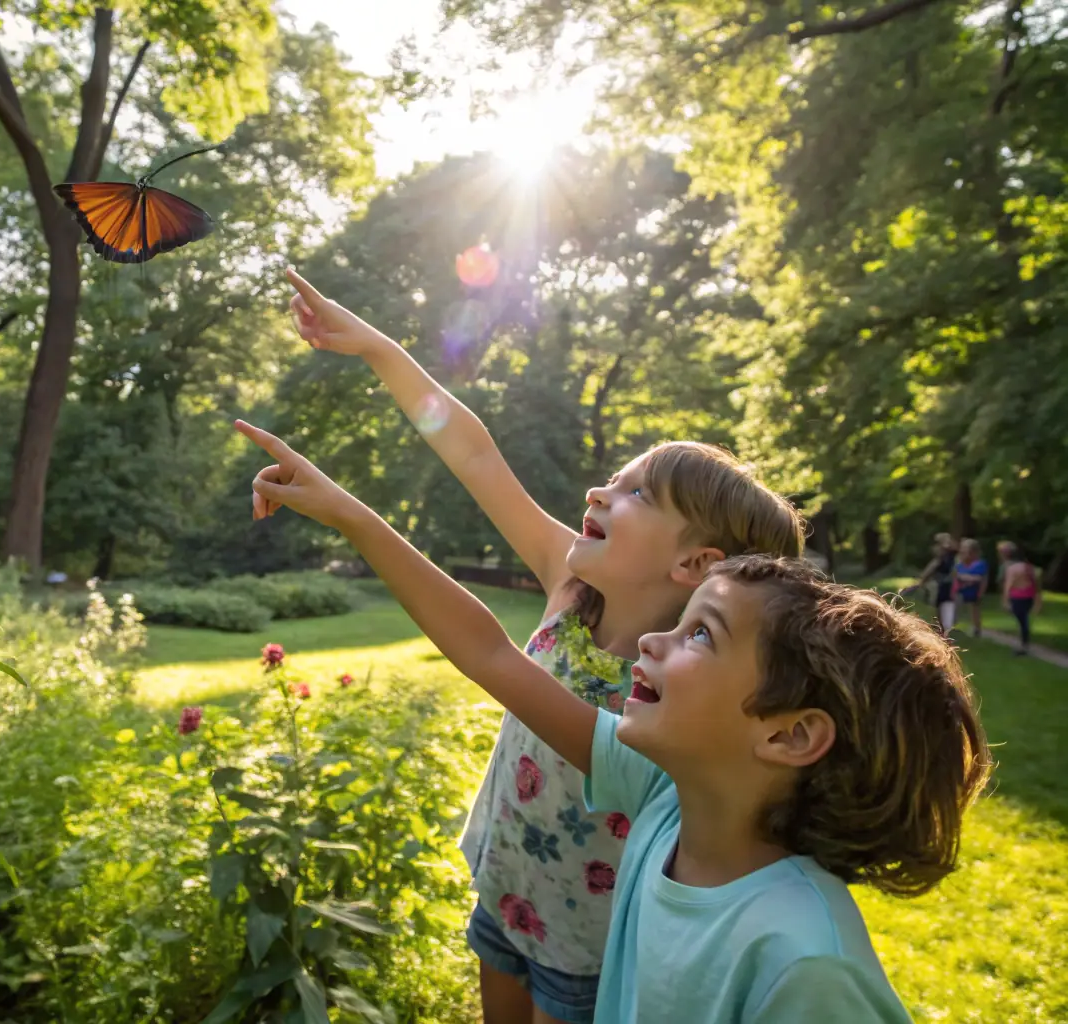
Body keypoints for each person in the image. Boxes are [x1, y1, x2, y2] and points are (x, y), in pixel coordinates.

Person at [234, 420, 991, 1024]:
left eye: (701, 635)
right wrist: (343, 509)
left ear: (789, 734)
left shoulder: (804, 962)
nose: (654, 648)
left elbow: (489, 652)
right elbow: (487, 652)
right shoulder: (665, 805)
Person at [282, 270, 805, 1024]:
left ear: (695, 566)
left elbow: (488, 650)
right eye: (610, 481)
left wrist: (352, 515)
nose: (597, 494)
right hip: (507, 887)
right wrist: (376, 349)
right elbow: (474, 455)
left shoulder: (675, 690)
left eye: (633, 496)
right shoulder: (571, 586)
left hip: (588, 948)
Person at [998, 541, 1041, 655]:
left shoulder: (1012, 568)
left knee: (1022, 621)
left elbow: (1008, 585)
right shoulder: (1029, 568)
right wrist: (1038, 602)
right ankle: (1024, 643)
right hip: (1029, 595)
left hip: (1017, 596)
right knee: (1023, 620)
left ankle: (1023, 645)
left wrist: (1005, 600)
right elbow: (1036, 586)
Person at [912, 533, 958, 636]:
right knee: (938, 613)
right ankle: (941, 633)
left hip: (949, 589)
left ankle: (945, 634)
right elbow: (929, 572)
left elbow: (954, 547)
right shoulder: (940, 560)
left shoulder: (951, 556)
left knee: (946, 615)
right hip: (941, 588)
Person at [953, 539, 988, 637]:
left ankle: (976, 630)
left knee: (975, 610)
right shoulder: (959, 564)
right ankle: (951, 628)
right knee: (955, 609)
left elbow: (981, 579)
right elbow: (955, 576)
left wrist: (981, 592)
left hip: (974, 592)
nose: (963, 552)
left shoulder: (979, 564)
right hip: (959, 591)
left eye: (966, 550)